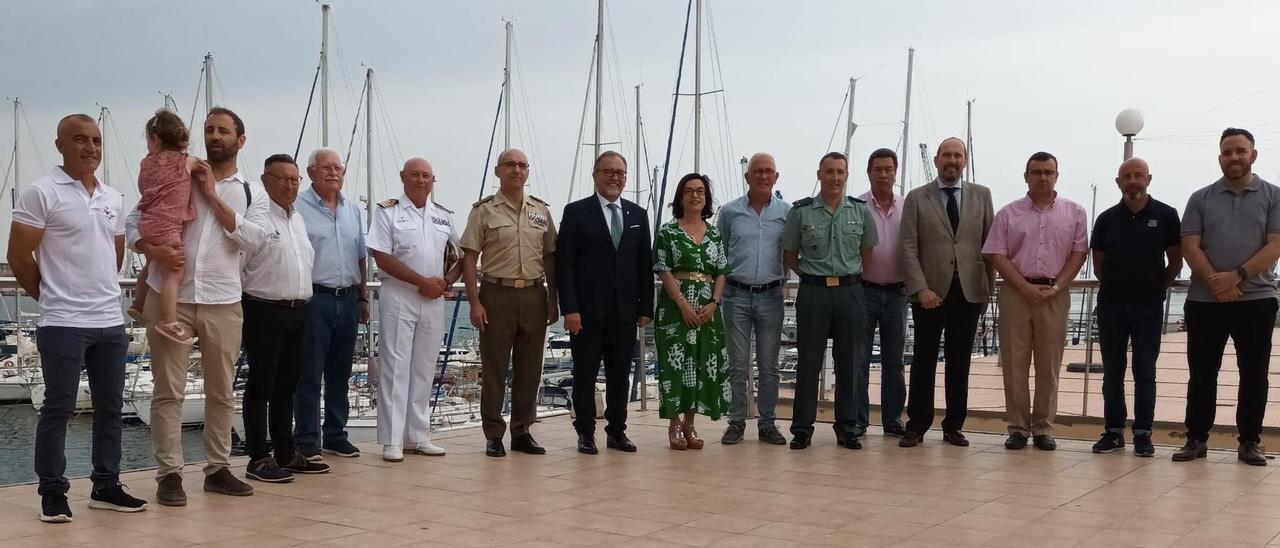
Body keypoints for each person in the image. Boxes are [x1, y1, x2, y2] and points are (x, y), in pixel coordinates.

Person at [9, 114, 148, 523]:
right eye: (80, 140)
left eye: (96, 140)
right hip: (63, 321)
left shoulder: (112, 197)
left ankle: (106, 485)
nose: (90, 148)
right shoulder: (42, 192)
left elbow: (115, 253)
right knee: (59, 407)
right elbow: (19, 256)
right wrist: (51, 295)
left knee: (109, 408)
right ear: (60, 145)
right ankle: (52, 492)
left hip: (109, 320)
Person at [127, 107, 266, 505]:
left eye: (223, 130)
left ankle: (217, 469)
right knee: (168, 392)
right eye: (209, 129)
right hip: (172, 298)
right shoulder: (176, 171)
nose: (215, 136)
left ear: (241, 139)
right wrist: (151, 249)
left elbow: (256, 239)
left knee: (222, 392)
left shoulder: (250, 191)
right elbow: (135, 219)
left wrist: (209, 196)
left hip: (223, 300)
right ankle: (169, 474)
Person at [1174, 128, 1280, 466]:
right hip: (1205, 302)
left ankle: (1249, 441)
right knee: (1202, 372)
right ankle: (1196, 439)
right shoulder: (1200, 198)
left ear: (1253, 155)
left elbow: (1276, 244)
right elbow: (1190, 245)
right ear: (1219, 157)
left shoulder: (1275, 196)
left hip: (1257, 300)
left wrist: (1237, 277)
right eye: (1226, 152)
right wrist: (1216, 283)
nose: (1233, 158)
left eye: (1240, 151)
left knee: (1254, 374)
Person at [983, 151, 1087, 451]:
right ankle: (1017, 427)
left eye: (1048, 172)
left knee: (1048, 365)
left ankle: (1043, 427)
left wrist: (1056, 287)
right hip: (1016, 293)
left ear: (1057, 176)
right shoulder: (1008, 213)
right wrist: (1023, 287)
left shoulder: (1075, 213)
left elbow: (1078, 254)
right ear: (1026, 176)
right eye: (1036, 171)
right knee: (1014, 365)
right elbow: (997, 254)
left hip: (1055, 294)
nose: (1042, 177)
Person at [238, 154, 331, 482]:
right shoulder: (259, 219)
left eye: (295, 180)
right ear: (265, 181)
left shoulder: (298, 219)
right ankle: (258, 458)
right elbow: (239, 264)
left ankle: (286, 452)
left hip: (299, 310)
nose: (290, 185)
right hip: (264, 310)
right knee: (261, 385)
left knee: (287, 386)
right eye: (282, 179)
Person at [460, 148, 559, 458]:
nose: (517, 170)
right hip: (496, 294)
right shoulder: (483, 211)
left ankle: (522, 431)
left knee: (530, 370)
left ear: (527, 172)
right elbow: (470, 257)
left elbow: (550, 257)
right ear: (498, 171)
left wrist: (553, 299)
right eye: (510, 165)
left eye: (522, 165)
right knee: (494, 369)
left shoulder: (541, 211)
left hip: (533, 294)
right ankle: (493, 433)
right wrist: (474, 302)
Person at [899, 138, 994, 448]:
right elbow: (908, 247)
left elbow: (989, 246)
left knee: (959, 362)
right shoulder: (916, 197)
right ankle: (917, 424)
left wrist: (987, 291)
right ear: (937, 160)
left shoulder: (982, 196)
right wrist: (920, 287)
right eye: (947, 155)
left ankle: (954, 425)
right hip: (929, 293)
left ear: (964, 160)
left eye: (958, 155)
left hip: (968, 293)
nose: (952, 160)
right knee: (923, 361)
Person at [556, 151, 653, 455]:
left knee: (619, 376)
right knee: (584, 375)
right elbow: (565, 265)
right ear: (596, 175)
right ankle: (586, 432)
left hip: (624, 312)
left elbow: (644, 264)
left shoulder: (638, 215)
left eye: (620, 173)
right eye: (608, 171)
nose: (615, 177)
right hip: (586, 312)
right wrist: (569, 308)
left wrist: (645, 307)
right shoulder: (576, 212)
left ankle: (617, 431)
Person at [367, 157, 461, 463]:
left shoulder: (443, 216)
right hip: (399, 295)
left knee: (424, 367)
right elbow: (382, 256)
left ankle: (418, 436)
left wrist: (445, 282)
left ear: (434, 180)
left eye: (426, 176)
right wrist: (423, 281)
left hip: (433, 299)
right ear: (403, 178)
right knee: (395, 367)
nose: (421, 180)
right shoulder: (388, 211)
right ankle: (392, 440)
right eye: (415, 175)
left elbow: (463, 255)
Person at [782, 151, 877, 450]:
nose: (835, 177)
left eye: (840, 172)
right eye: (829, 171)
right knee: (808, 362)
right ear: (819, 174)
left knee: (849, 362)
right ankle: (801, 429)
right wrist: (814, 276)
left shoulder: (860, 211)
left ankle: (848, 427)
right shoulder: (801, 212)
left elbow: (867, 253)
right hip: (814, 293)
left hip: (850, 292)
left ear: (847, 175)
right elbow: (790, 255)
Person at [1089, 158, 1181, 457]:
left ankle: (1143, 433)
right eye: (1126, 176)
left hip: (1149, 307)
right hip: (1111, 305)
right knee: (1113, 372)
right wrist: (1118, 286)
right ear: (1118, 182)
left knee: (1145, 371)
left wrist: (1157, 287)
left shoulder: (1166, 215)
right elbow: (1099, 265)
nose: (1133, 180)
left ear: (1148, 179)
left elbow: (1176, 261)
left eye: (1138, 175)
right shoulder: (1106, 219)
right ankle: (1113, 431)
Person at [293, 148, 368, 461]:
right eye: (326, 168)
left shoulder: (353, 210)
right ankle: (307, 439)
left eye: (338, 168)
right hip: (313, 299)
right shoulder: (296, 208)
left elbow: (361, 256)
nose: (333, 173)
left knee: (340, 372)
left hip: (347, 299)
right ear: (311, 172)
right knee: (309, 373)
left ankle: (336, 434)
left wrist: (363, 297)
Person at [717, 153, 789, 446]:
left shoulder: (786, 212)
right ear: (747, 177)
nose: (762, 176)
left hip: (771, 296)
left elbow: (791, 253)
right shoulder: (730, 212)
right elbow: (719, 253)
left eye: (768, 171)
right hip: (735, 295)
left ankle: (767, 423)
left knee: (770, 365)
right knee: (737, 363)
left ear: (776, 177)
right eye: (757, 171)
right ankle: (736, 422)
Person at [654, 173, 729, 450]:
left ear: (706, 197)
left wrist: (714, 303)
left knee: (699, 365)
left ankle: (690, 423)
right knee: (676, 365)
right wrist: (684, 304)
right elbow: (663, 269)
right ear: (681, 197)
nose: (695, 195)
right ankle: (673, 425)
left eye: (700, 191)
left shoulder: (715, 234)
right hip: (675, 308)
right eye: (689, 191)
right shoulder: (667, 232)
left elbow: (721, 271)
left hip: (708, 306)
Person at [127, 109, 202, 345]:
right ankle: (169, 321)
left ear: (155, 140)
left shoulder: (145, 163)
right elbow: (201, 169)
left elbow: (142, 187)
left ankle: (138, 304)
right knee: (174, 272)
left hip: (147, 222)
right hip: (168, 225)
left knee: (151, 264)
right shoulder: (185, 162)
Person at [856, 148, 907, 439]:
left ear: (895, 172)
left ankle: (892, 420)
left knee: (894, 361)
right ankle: (860, 420)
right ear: (869, 172)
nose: (884, 174)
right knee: (859, 359)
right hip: (864, 292)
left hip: (898, 294)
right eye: (878, 169)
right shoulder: (857, 206)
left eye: (889, 169)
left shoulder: (907, 206)